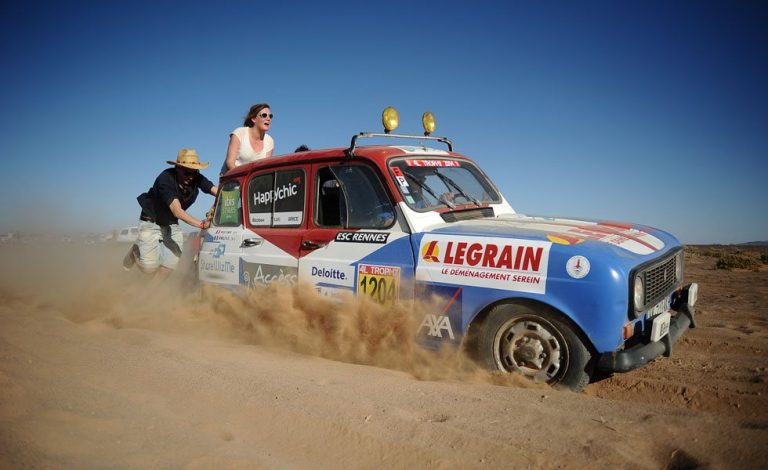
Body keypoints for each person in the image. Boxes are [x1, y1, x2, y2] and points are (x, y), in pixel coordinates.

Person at [123, 149, 219, 279]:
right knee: (149, 269)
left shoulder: (196, 177)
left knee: (169, 265)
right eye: (187, 172)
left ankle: (153, 290)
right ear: (177, 168)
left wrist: (228, 196)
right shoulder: (166, 178)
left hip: (171, 222)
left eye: (194, 172)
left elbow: (218, 192)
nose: (191, 177)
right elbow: (177, 210)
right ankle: (136, 250)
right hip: (152, 220)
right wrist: (202, 224)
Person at [220, 103, 274, 175]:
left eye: (270, 116)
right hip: (231, 177)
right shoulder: (239, 133)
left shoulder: (269, 141)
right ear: (254, 119)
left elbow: (265, 168)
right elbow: (230, 163)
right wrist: (243, 178)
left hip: (252, 180)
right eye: (264, 115)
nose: (268, 119)